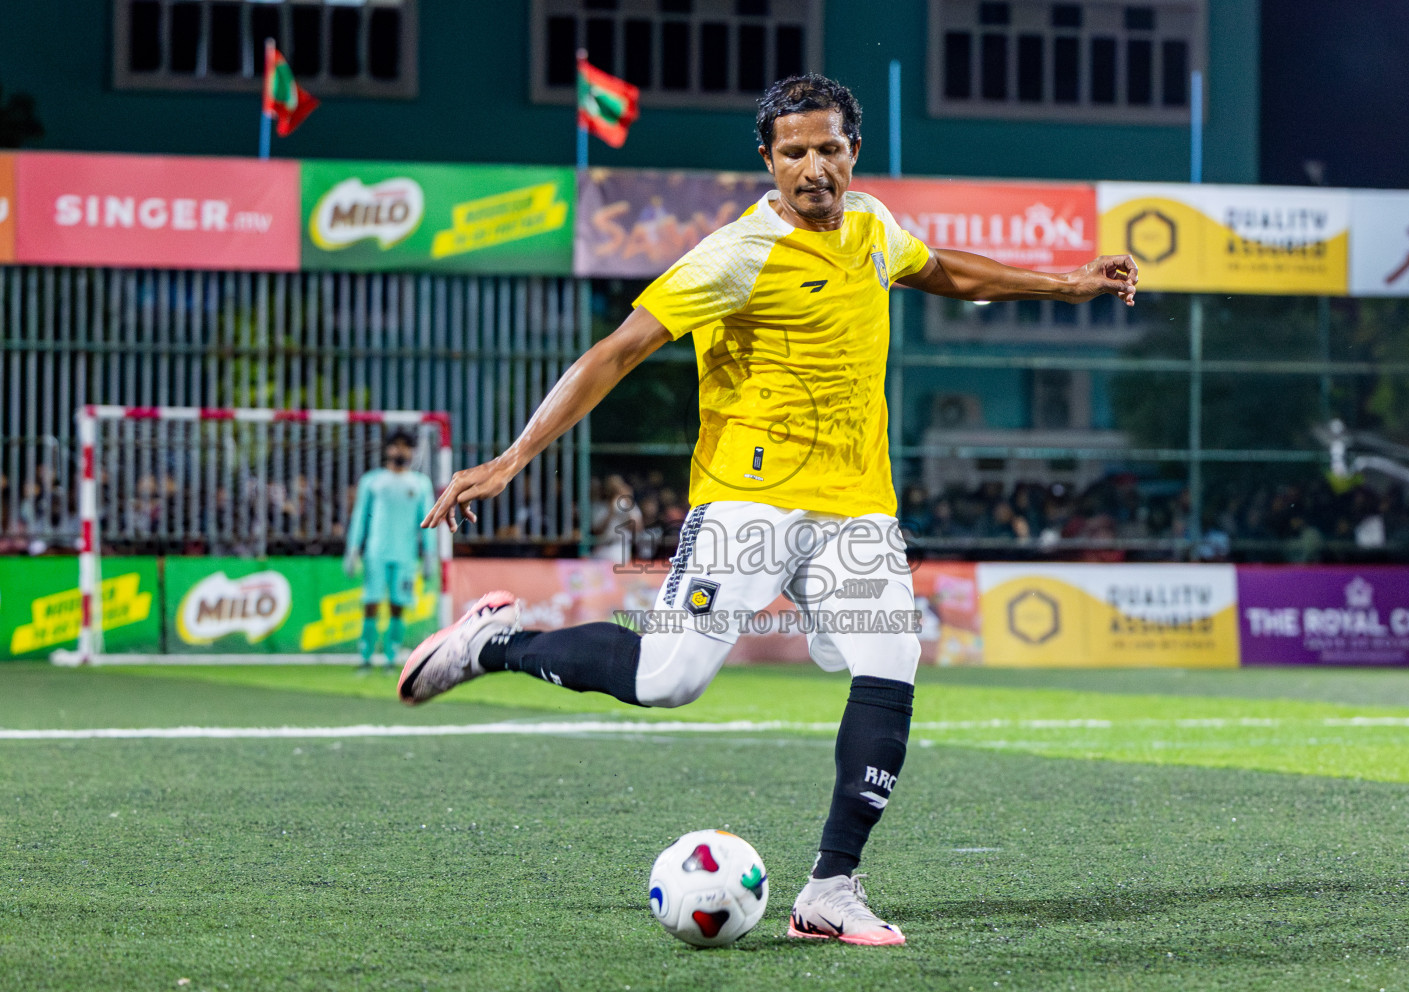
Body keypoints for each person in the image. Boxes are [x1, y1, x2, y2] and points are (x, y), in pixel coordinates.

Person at [396, 74, 1136, 946]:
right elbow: (618, 350)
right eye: (795, 152)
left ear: (853, 150)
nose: (814, 167)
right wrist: (516, 456)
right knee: (670, 680)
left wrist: (1064, 283)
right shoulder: (737, 253)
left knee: (891, 656)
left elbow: (938, 269)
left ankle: (831, 887)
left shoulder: (872, 226)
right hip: (746, 501)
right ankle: (496, 643)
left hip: (856, 506)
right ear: (768, 159)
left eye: (829, 148)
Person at [345, 430, 436, 668]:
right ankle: (365, 657)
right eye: (395, 446)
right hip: (376, 553)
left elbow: (427, 521)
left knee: (398, 605)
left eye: (405, 446)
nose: (400, 451)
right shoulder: (372, 480)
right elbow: (359, 517)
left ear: (412, 451)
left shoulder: (420, 484)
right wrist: (353, 549)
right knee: (371, 603)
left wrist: (429, 555)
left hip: (406, 556)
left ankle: (391, 657)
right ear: (387, 449)